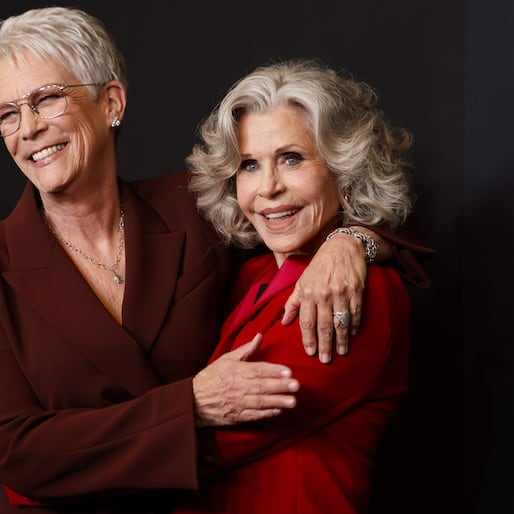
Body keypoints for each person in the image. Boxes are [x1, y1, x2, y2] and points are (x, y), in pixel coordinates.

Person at [0, 7, 432, 513]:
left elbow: (361, 205)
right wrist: (18, 456)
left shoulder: (196, 207)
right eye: (8, 114)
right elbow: (16, 448)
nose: (30, 128)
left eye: (47, 99)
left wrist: (354, 240)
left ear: (111, 101)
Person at [169, 58, 417, 513]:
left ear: (343, 168)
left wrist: (32, 455)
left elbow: (207, 444)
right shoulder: (250, 274)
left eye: (292, 158)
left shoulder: (358, 293)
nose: (268, 188)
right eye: (249, 165)